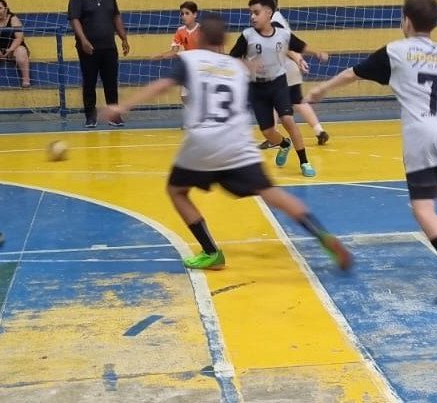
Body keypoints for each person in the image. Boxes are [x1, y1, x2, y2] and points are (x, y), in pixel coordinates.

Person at [99, 14, 351, 271]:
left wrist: (122, 106)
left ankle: (211, 252)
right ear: (223, 41)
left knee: (177, 191)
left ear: (199, 37)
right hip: (238, 143)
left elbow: (161, 86)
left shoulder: (190, 60)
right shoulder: (237, 67)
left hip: (204, 142)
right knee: (272, 193)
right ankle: (322, 235)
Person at [306, 0, 437, 301]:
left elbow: (352, 74)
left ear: (406, 21)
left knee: (422, 208)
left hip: (421, 133)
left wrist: (320, 90)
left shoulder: (395, 51)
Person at [229, 0, 327, 178]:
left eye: (256, 12)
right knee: (267, 131)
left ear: (268, 13)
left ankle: (304, 162)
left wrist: (316, 53)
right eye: (250, 13)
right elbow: (232, 58)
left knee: (288, 119)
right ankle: (284, 144)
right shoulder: (247, 36)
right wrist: (248, 65)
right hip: (257, 88)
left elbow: (300, 46)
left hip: (278, 83)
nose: (252, 17)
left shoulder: (282, 34)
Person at [254, 0, 329, 149]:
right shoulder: (278, 17)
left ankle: (273, 137)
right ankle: (319, 130)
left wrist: (297, 57)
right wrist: (298, 58)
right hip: (291, 67)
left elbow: (282, 43)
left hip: (282, 67)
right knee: (298, 101)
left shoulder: (272, 22)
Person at [68, 0, 130, 128]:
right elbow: (74, 20)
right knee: (89, 83)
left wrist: (123, 38)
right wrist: (83, 41)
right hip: (88, 48)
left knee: (111, 83)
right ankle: (90, 116)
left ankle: (114, 116)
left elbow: (116, 16)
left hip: (109, 46)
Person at [0, 0, 31, 88]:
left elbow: (19, 37)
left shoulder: (13, 19)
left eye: (0, 8)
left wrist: (10, 50)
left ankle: (26, 80)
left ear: (6, 9)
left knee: (21, 52)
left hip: (13, 48)